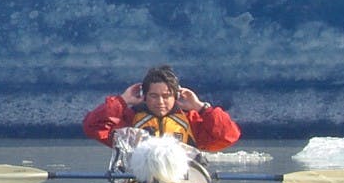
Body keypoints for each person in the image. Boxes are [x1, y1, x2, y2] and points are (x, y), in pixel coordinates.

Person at [82, 64, 240, 152]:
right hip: (140, 182)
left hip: (183, 182)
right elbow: (93, 127)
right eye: (153, 96)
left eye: (166, 96)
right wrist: (121, 101)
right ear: (144, 96)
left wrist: (201, 108)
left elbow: (228, 136)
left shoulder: (192, 120)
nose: (160, 102)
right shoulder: (130, 118)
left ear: (176, 96)